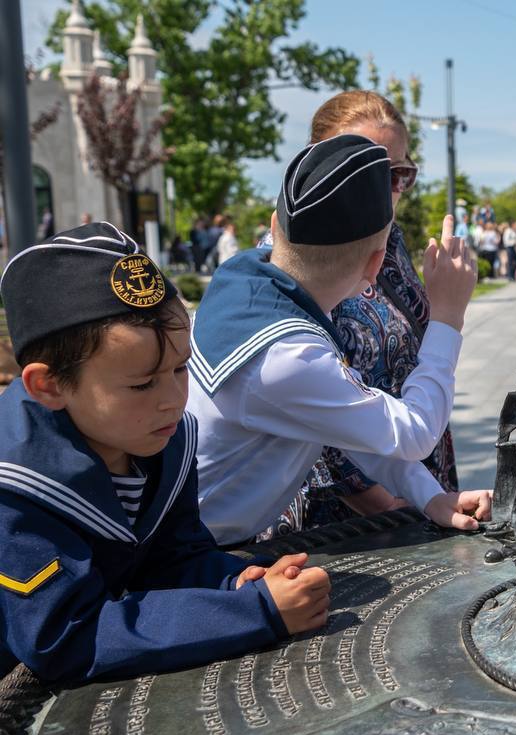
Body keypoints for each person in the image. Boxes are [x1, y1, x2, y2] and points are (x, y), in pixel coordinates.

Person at [0, 222, 329, 684]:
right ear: (49, 385)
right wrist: (255, 612)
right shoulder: (15, 485)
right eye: (141, 384)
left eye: (180, 368)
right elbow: (65, 638)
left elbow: (174, 557)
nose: (173, 398)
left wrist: (235, 583)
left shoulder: (158, 436)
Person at [187, 134, 490, 547]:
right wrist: (448, 318)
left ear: (275, 228)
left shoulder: (250, 279)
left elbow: (351, 425)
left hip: (199, 533)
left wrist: (431, 497)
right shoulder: (287, 355)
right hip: (193, 554)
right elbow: (415, 431)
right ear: (376, 264)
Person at [255, 90, 463, 537]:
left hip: (415, 481)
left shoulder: (391, 241)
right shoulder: (290, 260)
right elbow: (308, 400)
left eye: (399, 174)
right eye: (368, 169)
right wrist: (381, 503)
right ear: (315, 161)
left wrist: (424, 494)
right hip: (343, 515)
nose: (385, 190)